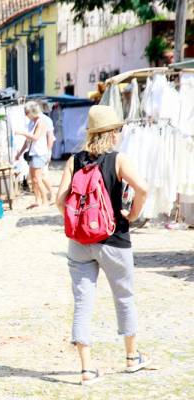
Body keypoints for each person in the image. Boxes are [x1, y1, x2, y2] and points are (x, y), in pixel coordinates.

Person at [55, 105, 151, 385]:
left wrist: (80, 221)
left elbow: (60, 201)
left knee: (83, 302)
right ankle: (132, 358)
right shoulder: (118, 160)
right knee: (124, 297)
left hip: (79, 243)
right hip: (115, 240)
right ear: (111, 133)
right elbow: (142, 189)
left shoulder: (74, 161)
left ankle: (86, 370)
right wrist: (131, 215)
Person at [15, 101, 49, 209]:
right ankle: (38, 200)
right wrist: (20, 153)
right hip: (33, 154)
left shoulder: (40, 122)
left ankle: (45, 201)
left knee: (37, 180)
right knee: (33, 180)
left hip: (39, 153)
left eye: (27, 112)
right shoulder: (32, 123)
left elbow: (35, 137)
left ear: (32, 112)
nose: (25, 114)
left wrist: (22, 133)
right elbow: (28, 141)